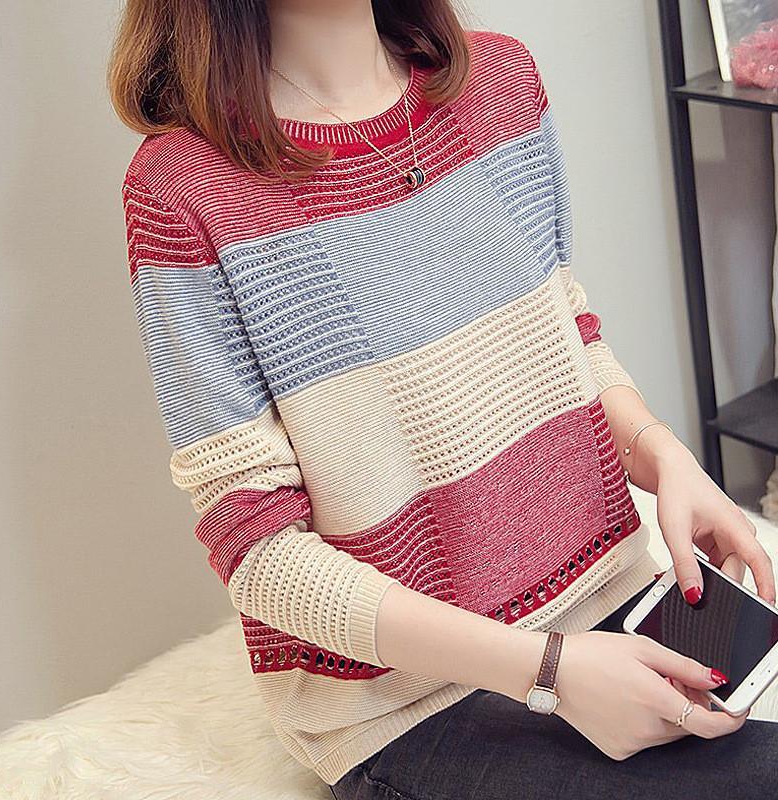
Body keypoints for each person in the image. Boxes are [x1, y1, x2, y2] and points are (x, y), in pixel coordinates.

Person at [107, 1, 778, 796]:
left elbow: (564, 333)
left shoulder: (501, 82)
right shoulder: (182, 189)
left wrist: (664, 457)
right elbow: (258, 551)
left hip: (614, 604)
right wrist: (549, 670)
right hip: (414, 706)